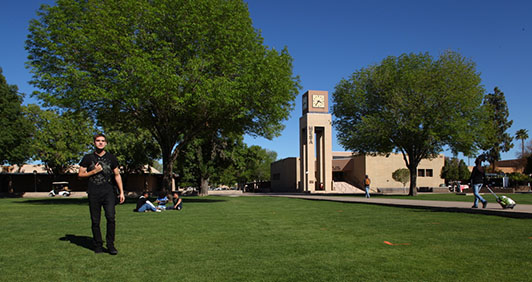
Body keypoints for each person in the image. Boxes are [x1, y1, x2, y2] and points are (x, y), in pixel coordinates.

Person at [78, 134, 125, 255]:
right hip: (94, 192)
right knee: (95, 220)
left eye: (103, 141)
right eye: (98, 141)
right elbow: (80, 174)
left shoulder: (111, 158)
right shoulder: (88, 158)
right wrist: (94, 171)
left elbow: (117, 175)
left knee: (111, 218)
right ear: (94, 142)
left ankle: (110, 245)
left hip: (108, 192)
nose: (100, 143)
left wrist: (121, 192)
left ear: (106, 143)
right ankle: (98, 244)